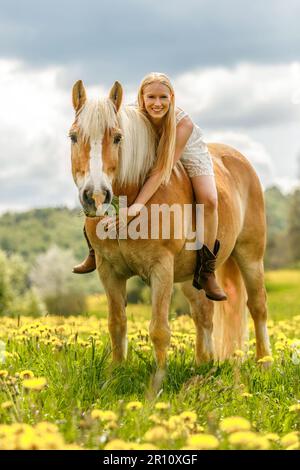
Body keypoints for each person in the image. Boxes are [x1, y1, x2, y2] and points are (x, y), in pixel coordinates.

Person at [73, 72, 227, 301]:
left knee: (209, 199)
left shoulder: (182, 124)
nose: (157, 103)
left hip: (183, 149)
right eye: (151, 97)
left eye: (163, 97)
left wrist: (136, 208)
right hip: (148, 149)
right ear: (141, 98)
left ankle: (207, 269)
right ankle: (96, 249)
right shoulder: (133, 116)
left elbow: (161, 171)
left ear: (172, 97)